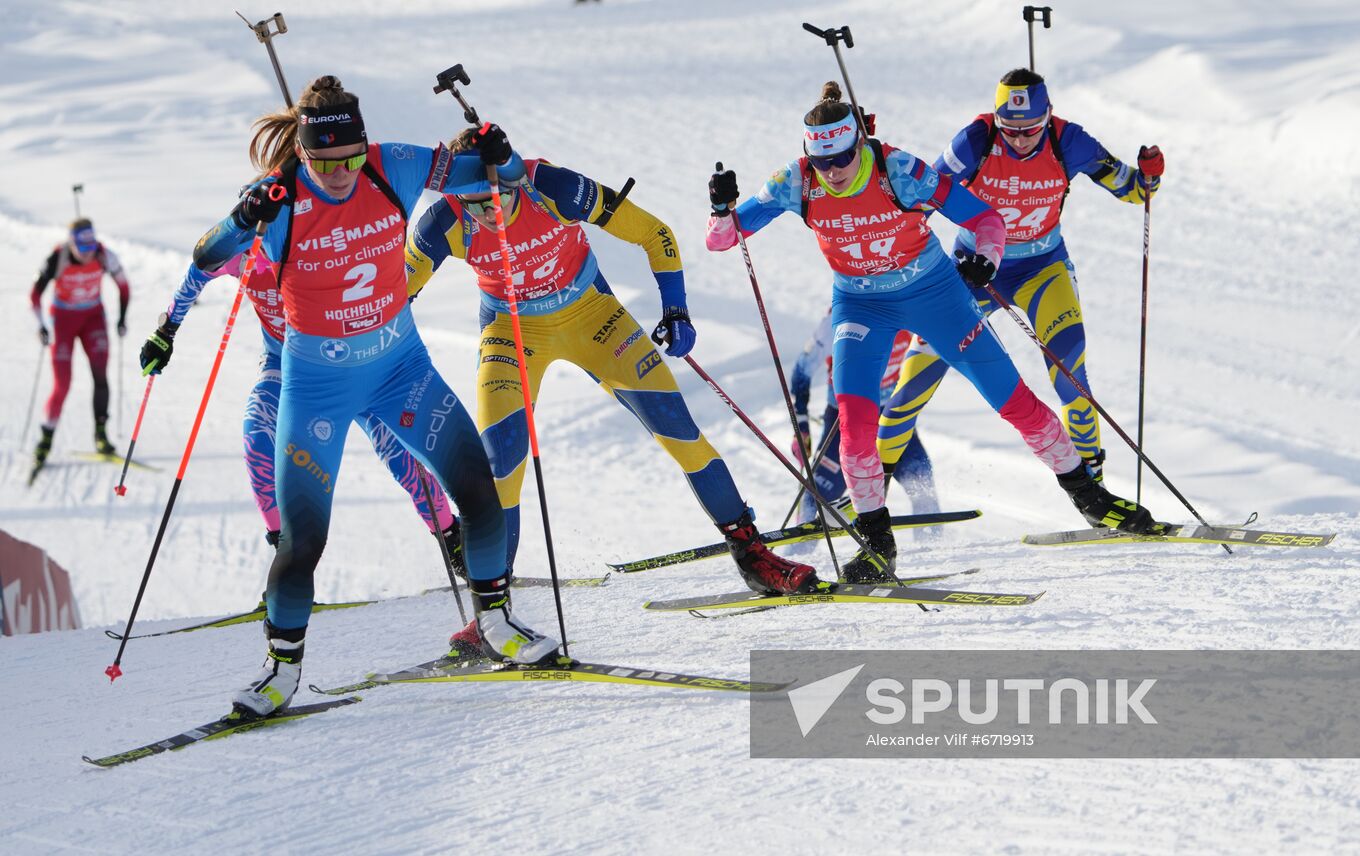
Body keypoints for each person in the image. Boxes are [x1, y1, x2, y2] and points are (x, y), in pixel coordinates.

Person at [190, 75, 557, 718]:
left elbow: (494, 172)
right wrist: (242, 216)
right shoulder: (281, 201)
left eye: (353, 158)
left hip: (400, 369)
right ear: (303, 155)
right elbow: (205, 254)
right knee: (304, 541)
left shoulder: (395, 164)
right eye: (327, 163)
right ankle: (279, 672)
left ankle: (497, 623)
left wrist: (500, 155)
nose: (342, 174)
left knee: (479, 487)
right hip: (317, 388)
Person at [706, 81, 1162, 583]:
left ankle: (1089, 497)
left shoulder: (899, 169)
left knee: (1014, 402)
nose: (833, 172)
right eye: (822, 162)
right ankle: (877, 542)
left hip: (935, 294)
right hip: (860, 304)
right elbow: (722, 240)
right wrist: (722, 210)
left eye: (841, 158)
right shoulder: (794, 182)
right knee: (856, 428)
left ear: (859, 144)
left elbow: (985, 219)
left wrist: (985, 262)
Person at [405, 127, 819, 611]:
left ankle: (753, 555)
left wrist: (676, 309)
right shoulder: (443, 221)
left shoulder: (550, 187)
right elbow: (389, 301)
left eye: (495, 198)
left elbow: (654, 234)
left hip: (593, 318)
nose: (488, 214)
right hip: (513, 333)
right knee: (502, 468)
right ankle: (493, 612)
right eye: (473, 205)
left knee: (680, 432)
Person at [876, 68, 1164, 484]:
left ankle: (1094, 488)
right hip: (975, 271)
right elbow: (922, 197)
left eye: (1030, 129)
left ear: (1048, 116)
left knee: (1070, 371)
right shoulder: (974, 141)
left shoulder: (1071, 141)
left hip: (1042, 269)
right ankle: (870, 495)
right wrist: (873, 166)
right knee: (917, 375)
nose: (1020, 139)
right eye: (1009, 129)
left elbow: (1132, 191)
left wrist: (1150, 175)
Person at [139, 250, 467, 571]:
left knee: (399, 454)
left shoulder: (309, 241)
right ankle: (288, 562)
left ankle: (453, 539)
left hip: (346, 365)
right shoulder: (238, 250)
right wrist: (165, 332)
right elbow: (197, 271)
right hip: (283, 367)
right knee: (257, 440)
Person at [790, 308, 937, 526]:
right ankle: (796, 555)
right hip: (845, 418)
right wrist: (800, 425)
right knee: (815, 498)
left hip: (890, 415)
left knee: (922, 482)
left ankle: (932, 548)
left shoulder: (908, 306)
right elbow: (802, 371)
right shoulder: (838, 317)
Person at [28, 218, 130, 480]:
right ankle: (45, 441)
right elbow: (35, 295)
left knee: (100, 375)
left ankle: (101, 434)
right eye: (81, 250)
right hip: (63, 321)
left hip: (93, 319)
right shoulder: (57, 257)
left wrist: (121, 318)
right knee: (62, 384)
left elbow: (124, 287)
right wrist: (41, 325)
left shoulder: (104, 254)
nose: (87, 255)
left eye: (90, 248)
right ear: (72, 244)